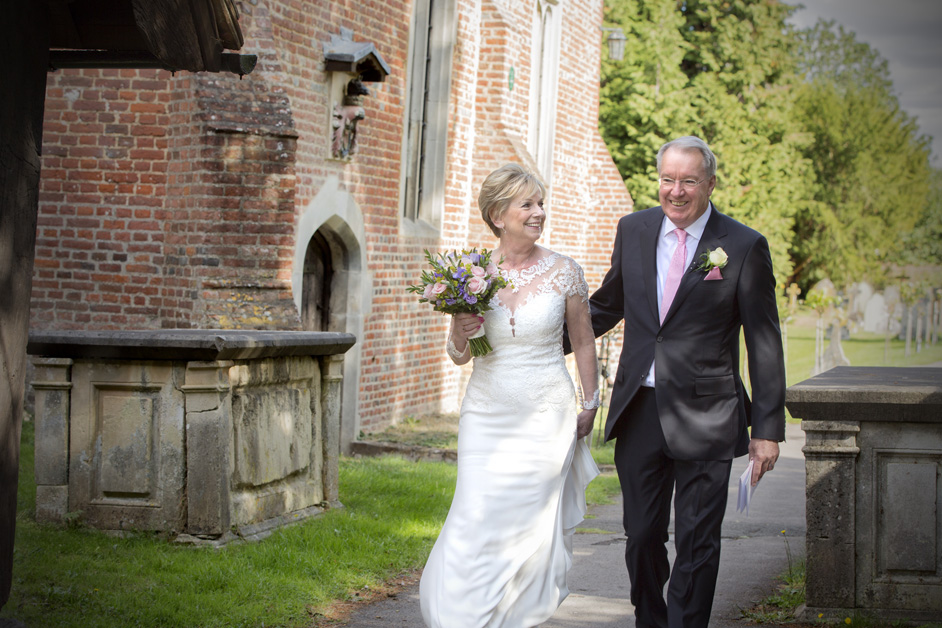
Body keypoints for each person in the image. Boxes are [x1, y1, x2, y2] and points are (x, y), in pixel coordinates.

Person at [571, 136, 786, 628]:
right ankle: (650, 618)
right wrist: (537, 339)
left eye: (689, 181)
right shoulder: (634, 229)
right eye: (668, 179)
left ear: (710, 183)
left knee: (697, 540)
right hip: (640, 408)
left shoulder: (743, 245)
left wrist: (767, 429)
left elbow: (764, 341)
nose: (676, 191)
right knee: (642, 533)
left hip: (709, 415)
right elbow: (607, 305)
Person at [419, 163, 601, 627]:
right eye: (528, 204)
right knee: (474, 515)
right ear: (499, 214)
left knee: (527, 525)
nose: (539, 212)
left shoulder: (565, 272)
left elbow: (582, 342)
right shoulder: (469, 275)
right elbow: (459, 355)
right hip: (485, 414)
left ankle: (515, 616)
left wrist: (591, 402)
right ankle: (460, 617)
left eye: (540, 203)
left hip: (547, 415)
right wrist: (461, 330)